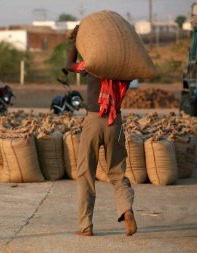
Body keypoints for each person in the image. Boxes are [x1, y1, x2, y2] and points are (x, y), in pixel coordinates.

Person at [66, 25, 137, 237]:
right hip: (115, 123)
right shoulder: (122, 68)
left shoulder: (93, 65)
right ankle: (127, 210)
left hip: (94, 119)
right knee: (117, 172)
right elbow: (135, 66)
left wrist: (76, 39)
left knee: (86, 173)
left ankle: (86, 226)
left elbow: (69, 65)